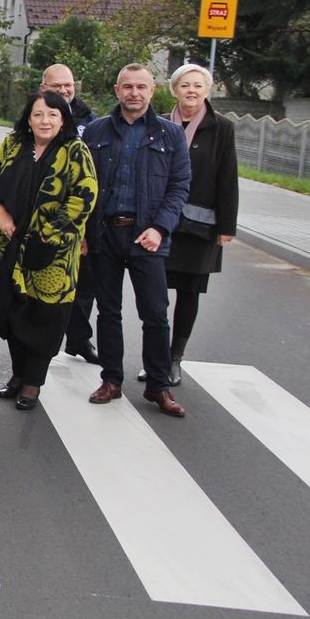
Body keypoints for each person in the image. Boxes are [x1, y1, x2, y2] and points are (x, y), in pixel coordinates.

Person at [0, 91, 98, 409]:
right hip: (8, 244)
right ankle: (17, 374)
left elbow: (84, 196)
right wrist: (0, 214)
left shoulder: (75, 151)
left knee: (44, 318)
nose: (45, 121)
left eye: (52, 115)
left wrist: (46, 233)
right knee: (12, 311)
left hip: (51, 254)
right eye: (38, 114)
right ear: (28, 119)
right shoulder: (14, 145)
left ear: (63, 119)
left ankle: (32, 383)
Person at [82, 64, 191, 417]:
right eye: (127, 87)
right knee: (108, 311)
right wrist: (83, 232)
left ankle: (158, 386)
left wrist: (160, 228)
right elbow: (82, 185)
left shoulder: (170, 135)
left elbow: (179, 188)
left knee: (156, 314)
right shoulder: (97, 130)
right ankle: (111, 379)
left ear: (152, 90)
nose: (134, 93)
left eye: (141, 87)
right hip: (105, 233)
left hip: (148, 236)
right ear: (117, 91)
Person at [135, 63, 238, 386]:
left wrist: (227, 226)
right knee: (155, 295)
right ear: (174, 90)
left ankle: (174, 358)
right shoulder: (161, 124)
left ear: (207, 91)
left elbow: (227, 178)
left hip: (200, 226)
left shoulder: (221, 127)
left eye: (198, 85)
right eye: (185, 85)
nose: (191, 91)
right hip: (163, 223)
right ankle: (155, 359)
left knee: (189, 294)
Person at [39, 63, 100, 364]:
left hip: (79, 217)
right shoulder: (37, 117)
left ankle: (79, 340)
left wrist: (84, 226)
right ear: (44, 88)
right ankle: (40, 348)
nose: (64, 90)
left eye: (68, 85)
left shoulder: (92, 123)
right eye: (56, 86)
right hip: (42, 216)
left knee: (83, 287)